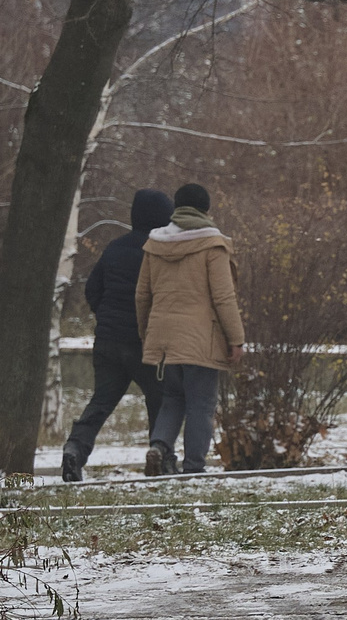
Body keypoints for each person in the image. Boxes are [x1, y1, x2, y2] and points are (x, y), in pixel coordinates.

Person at [60, 188, 173, 482]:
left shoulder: (115, 247)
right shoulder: (160, 252)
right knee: (159, 399)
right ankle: (161, 458)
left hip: (108, 342)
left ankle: (75, 448)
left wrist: (107, 318)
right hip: (144, 342)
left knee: (102, 401)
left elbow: (92, 290)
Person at [137, 182, 244, 475]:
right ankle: (194, 467)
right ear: (206, 210)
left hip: (164, 339)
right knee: (201, 404)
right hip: (201, 339)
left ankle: (158, 446)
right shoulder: (213, 245)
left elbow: (142, 295)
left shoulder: (155, 244)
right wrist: (236, 339)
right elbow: (223, 297)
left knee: (172, 398)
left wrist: (147, 334)